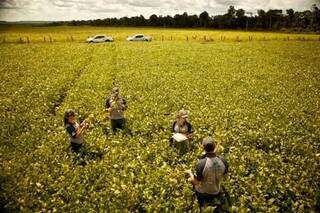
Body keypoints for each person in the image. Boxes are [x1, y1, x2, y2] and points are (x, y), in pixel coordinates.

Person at [186, 136, 229, 212]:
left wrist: (190, 174)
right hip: (217, 190)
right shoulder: (223, 160)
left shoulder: (201, 163)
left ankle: (201, 205)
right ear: (215, 146)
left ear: (203, 147)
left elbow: (197, 182)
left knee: (191, 179)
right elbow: (225, 175)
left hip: (204, 192)